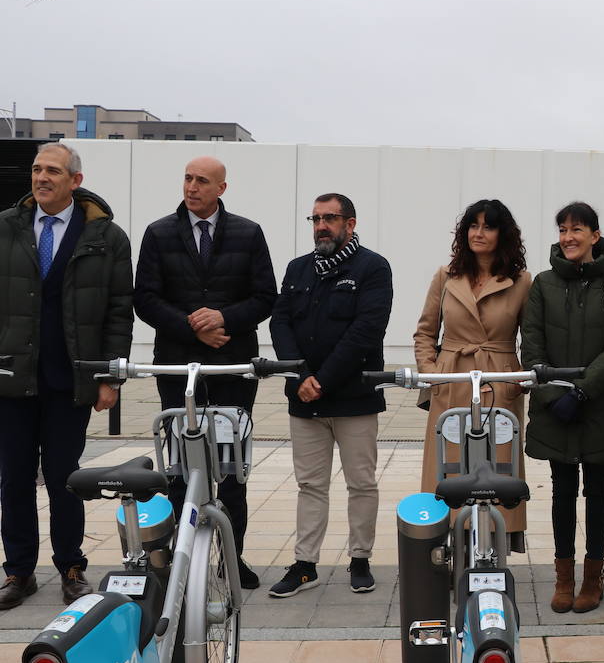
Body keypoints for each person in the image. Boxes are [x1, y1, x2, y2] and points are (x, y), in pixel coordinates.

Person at [133, 156, 277, 589]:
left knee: (231, 471)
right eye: (187, 178)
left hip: (232, 368)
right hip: (179, 368)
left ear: (221, 188)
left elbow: (266, 297)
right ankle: (182, 560)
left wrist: (224, 318)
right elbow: (145, 299)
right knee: (180, 468)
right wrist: (192, 327)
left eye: (201, 181)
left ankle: (232, 559)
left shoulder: (248, 233)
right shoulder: (159, 233)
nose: (192, 187)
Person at [0, 142, 133, 609]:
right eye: (37, 169)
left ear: (75, 180)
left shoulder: (107, 237)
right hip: (13, 378)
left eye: (53, 171)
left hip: (70, 379)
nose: (41, 178)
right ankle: (18, 572)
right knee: (14, 478)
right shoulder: (6, 227)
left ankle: (71, 567)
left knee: (65, 478)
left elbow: (119, 311)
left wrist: (110, 377)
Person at [268, 193, 393, 598]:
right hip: (304, 399)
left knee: (361, 483)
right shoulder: (298, 268)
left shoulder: (372, 268)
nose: (321, 226)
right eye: (316, 219)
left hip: (354, 397)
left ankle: (360, 560)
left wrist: (321, 380)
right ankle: (305, 565)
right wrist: (301, 376)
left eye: (330, 218)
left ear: (350, 224)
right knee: (310, 485)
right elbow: (280, 323)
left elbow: (366, 331)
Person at [521, 202, 604, 614]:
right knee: (561, 491)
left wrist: (583, 392)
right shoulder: (544, 283)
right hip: (556, 406)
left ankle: (593, 578)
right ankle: (564, 578)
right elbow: (531, 345)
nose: (568, 237)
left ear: (594, 235)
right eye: (562, 230)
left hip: (601, 405)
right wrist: (554, 395)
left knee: (598, 491)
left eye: (576, 229)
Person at [413, 199, 532, 546]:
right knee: (448, 464)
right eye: (473, 225)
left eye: (488, 226)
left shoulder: (522, 281)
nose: (479, 233)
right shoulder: (445, 276)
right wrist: (431, 372)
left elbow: (533, 338)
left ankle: (494, 548)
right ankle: (447, 545)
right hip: (451, 380)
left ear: (503, 234)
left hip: (499, 382)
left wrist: (521, 379)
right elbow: (425, 332)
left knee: (497, 466)